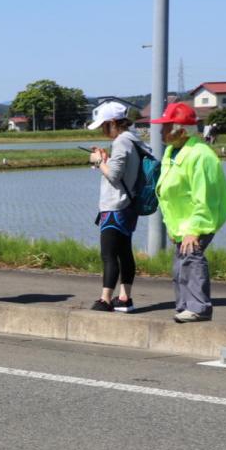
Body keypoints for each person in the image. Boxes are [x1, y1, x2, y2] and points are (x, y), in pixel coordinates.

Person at [150, 103, 226, 322]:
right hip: (181, 222)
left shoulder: (200, 155)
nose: (160, 132)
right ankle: (185, 306)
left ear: (182, 130)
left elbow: (205, 197)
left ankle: (199, 308)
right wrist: (174, 226)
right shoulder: (172, 151)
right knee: (180, 263)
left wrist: (194, 229)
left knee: (192, 257)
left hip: (198, 220)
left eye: (166, 127)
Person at [85, 101, 144, 313]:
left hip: (114, 206)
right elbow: (123, 171)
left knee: (109, 254)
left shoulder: (121, 141)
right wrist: (106, 159)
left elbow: (114, 175)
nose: (102, 130)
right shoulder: (132, 139)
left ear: (112, 123)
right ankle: (125, 298)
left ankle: (105, 299)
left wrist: (98, 161)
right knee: (124, 252)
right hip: (128, 205)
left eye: (103, 125)